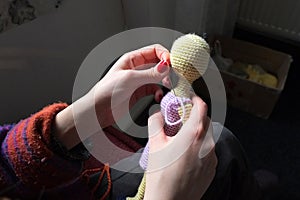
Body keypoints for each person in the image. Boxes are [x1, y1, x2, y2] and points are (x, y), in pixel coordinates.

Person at [0, 44, 265, 199]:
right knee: (221, 147)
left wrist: (84, 115)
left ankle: (240, 181)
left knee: (220, 146)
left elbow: (4, 163)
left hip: (79, 182)